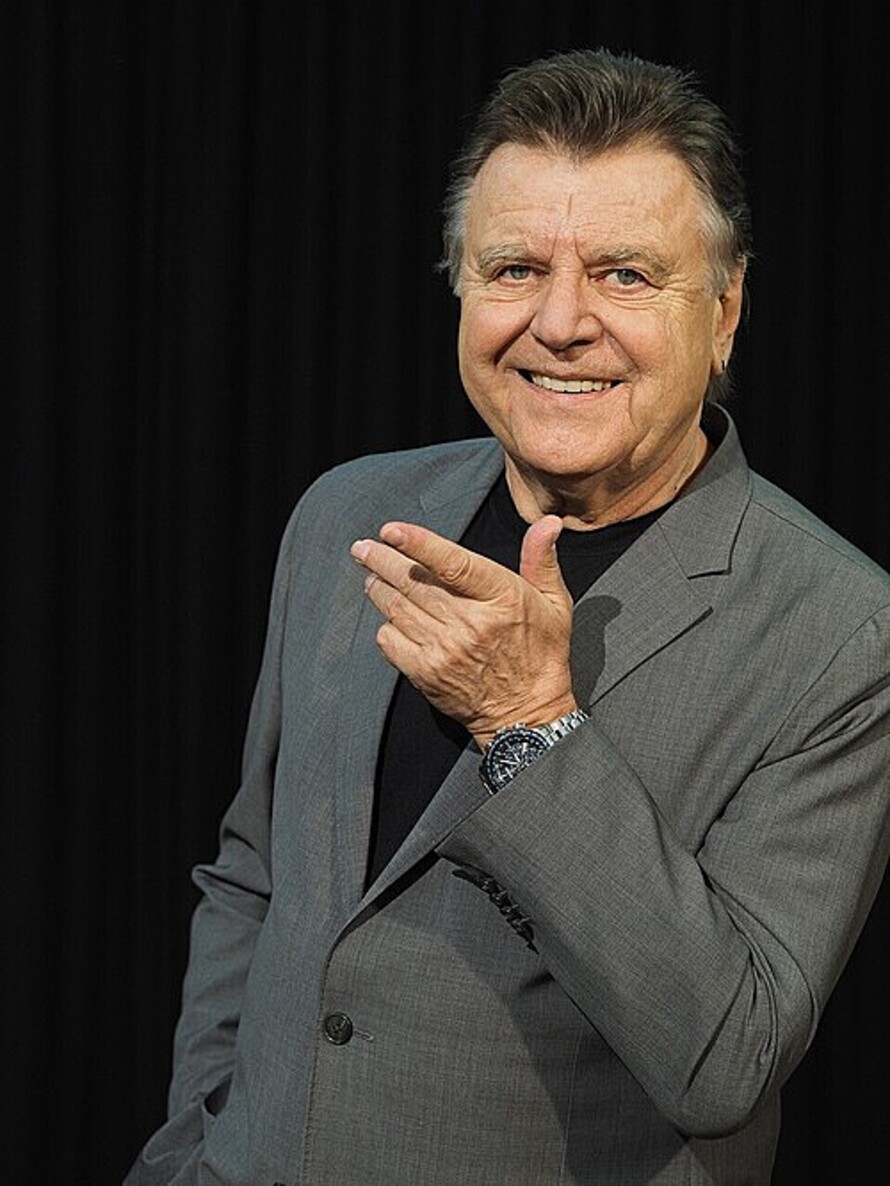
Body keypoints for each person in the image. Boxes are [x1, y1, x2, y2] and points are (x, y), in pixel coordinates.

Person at [126, 47, 889, 1185]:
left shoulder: (839, 630)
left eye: (625, 275)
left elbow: (726, 1056)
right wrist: (194, 1146)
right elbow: (254, 874)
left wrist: (530, 726)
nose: (561, 322)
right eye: (515, 268)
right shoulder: (349, 513)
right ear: (459, 284)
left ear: (725, 310)